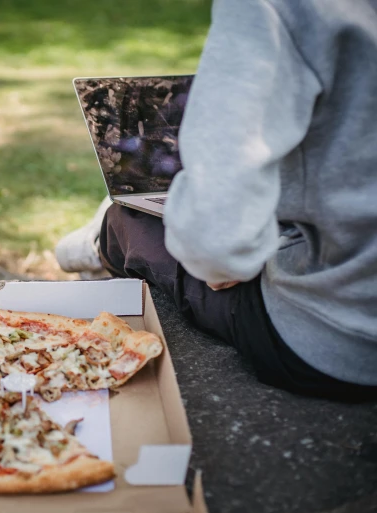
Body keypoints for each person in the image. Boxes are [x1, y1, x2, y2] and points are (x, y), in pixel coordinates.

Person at [56, 0, 377, 401]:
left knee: (125, 220)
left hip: (336, 342)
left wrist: (228, 252)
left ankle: (97, 242)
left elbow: (216, 247)